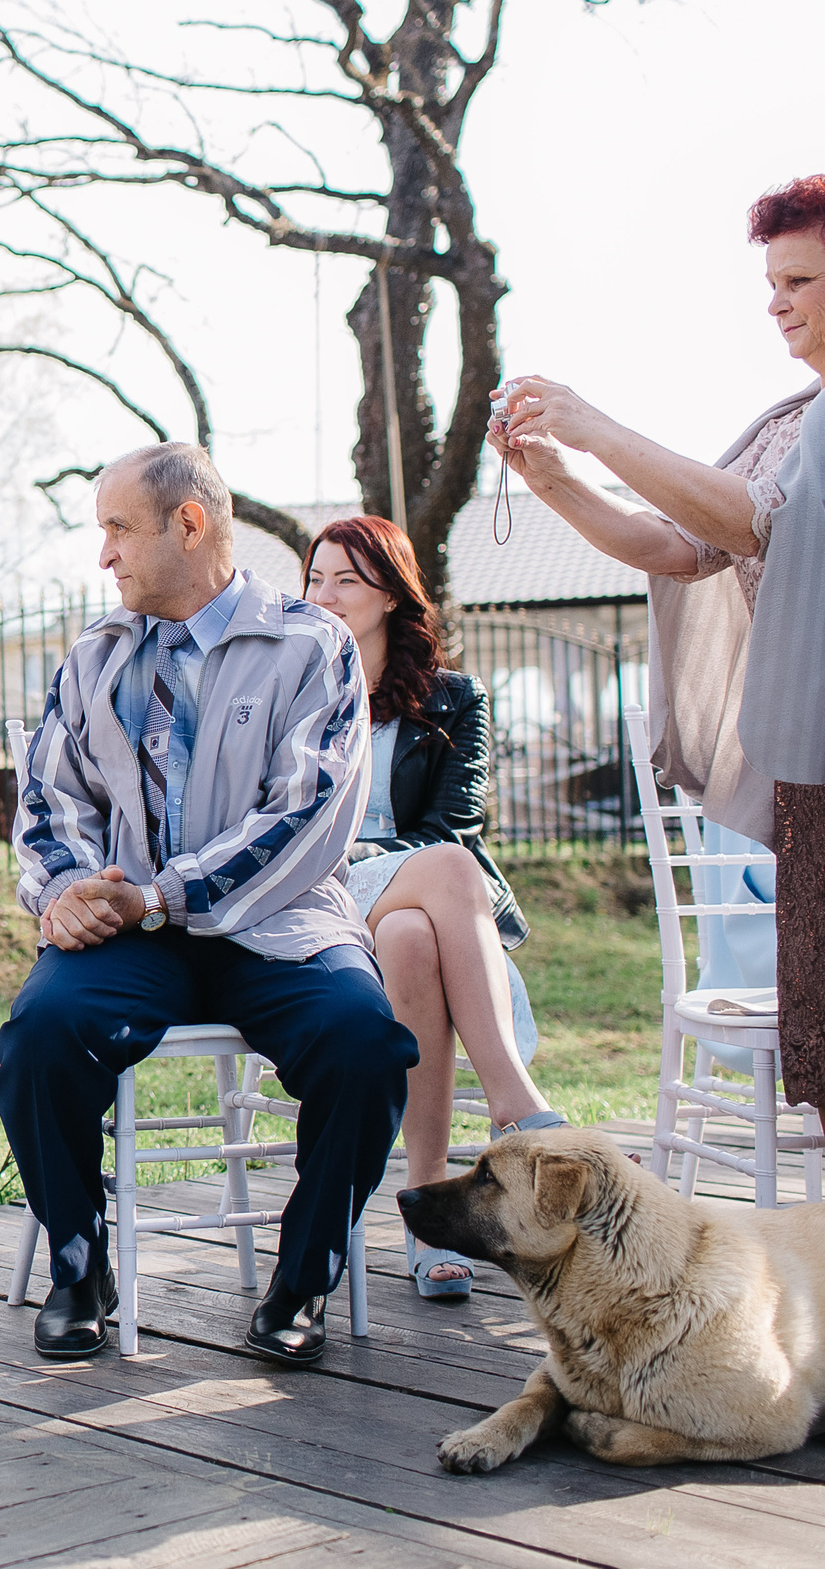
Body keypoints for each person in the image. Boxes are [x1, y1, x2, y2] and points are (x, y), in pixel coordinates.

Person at [490, 172, 825, 1250]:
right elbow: (680, 544)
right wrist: (548, 473)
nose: (776, 303)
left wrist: (594, 425)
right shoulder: (807, 415)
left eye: (798, 279)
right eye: (768, 282)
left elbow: (752, 518)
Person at [0, 444, 417, 1366]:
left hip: (278, 924)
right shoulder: (93, 657)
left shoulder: (312, 646)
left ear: (189, 524)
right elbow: (48, 803)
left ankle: (303, 1278)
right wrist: (70, 892)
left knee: (367, 1045)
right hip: (131, 932)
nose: (103, 555)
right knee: (38, 1036)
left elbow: (304, 818)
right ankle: (79, 1268)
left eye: (117, 529)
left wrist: (162, 894)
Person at [301, 517, 562, 1300]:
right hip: (320, 885)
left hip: (418, 893)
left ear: (389, 592)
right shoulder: (292, 690)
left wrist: (391, 867)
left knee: (414, 933)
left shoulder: (454, 700)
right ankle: (517, 1102)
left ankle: (425, 1210)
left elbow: (454, 823)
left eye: (345, 579)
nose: (326, 594)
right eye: (316, 579)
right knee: (441, 874)